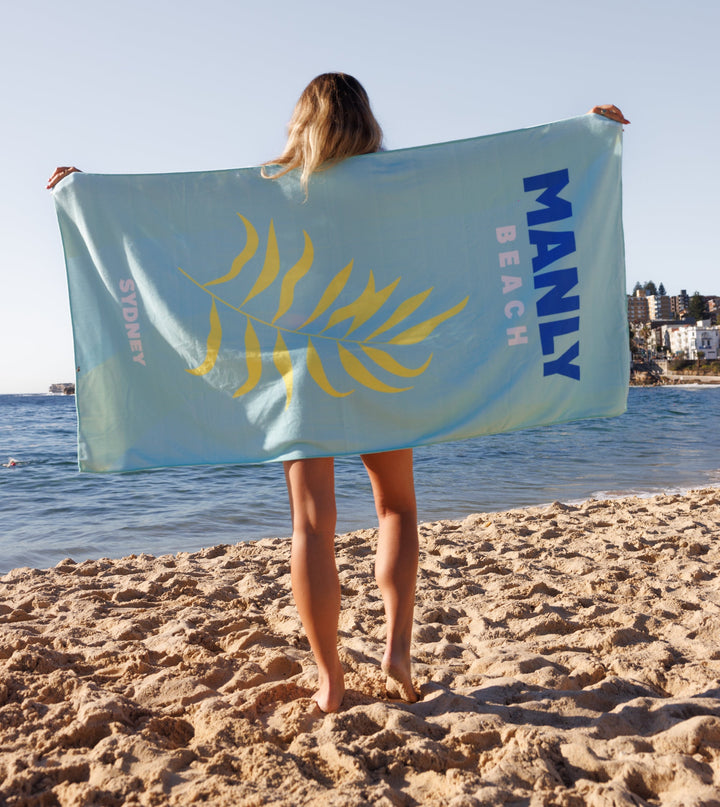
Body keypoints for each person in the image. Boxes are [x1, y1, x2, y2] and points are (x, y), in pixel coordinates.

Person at [47, 77, 629, 713]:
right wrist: (587, 136)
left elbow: (175, 211)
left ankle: (329, 679)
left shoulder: (270, 187)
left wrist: (89, 194)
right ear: (366, 119)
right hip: (385, 364)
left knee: (312, 526)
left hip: (304, 378)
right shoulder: (401, 183)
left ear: (302, 121)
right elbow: (481, 188)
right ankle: (398, 650)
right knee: (397, 510)